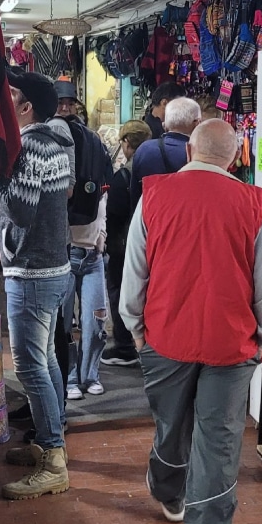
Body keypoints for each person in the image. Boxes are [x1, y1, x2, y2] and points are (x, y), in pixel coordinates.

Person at [120, 119, 262, 524]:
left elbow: (135, 269)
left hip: (165, 337)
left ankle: (169, 491)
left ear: (189, 148)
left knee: (172, 424)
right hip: (231, 344)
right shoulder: (254, 205)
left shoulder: (154, 196)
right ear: (235, 157)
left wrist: (134, 328)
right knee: (219, 441)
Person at [0, 69, 73, 500]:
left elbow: (21, 210)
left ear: (26, 106)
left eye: (12, 94)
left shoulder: (33, 143)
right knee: (46, 359)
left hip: (33, 271)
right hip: (51, 266)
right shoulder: (56, 141)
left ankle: (53, 457)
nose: (6, 99)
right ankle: (49, 440)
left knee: (32, 366)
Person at [101, 120, 153, 368]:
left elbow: (114, 214)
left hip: (122, 246)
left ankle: (124, 346)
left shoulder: (123, 177)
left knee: (121, 292)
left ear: (127, 144)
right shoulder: (155, 171)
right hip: (151, 245)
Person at [129, 97, 201, 211]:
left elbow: (135, 195)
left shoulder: (144, 150)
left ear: (165, 124)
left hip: (149, 220)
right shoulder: (200, 154)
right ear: (197, 123)